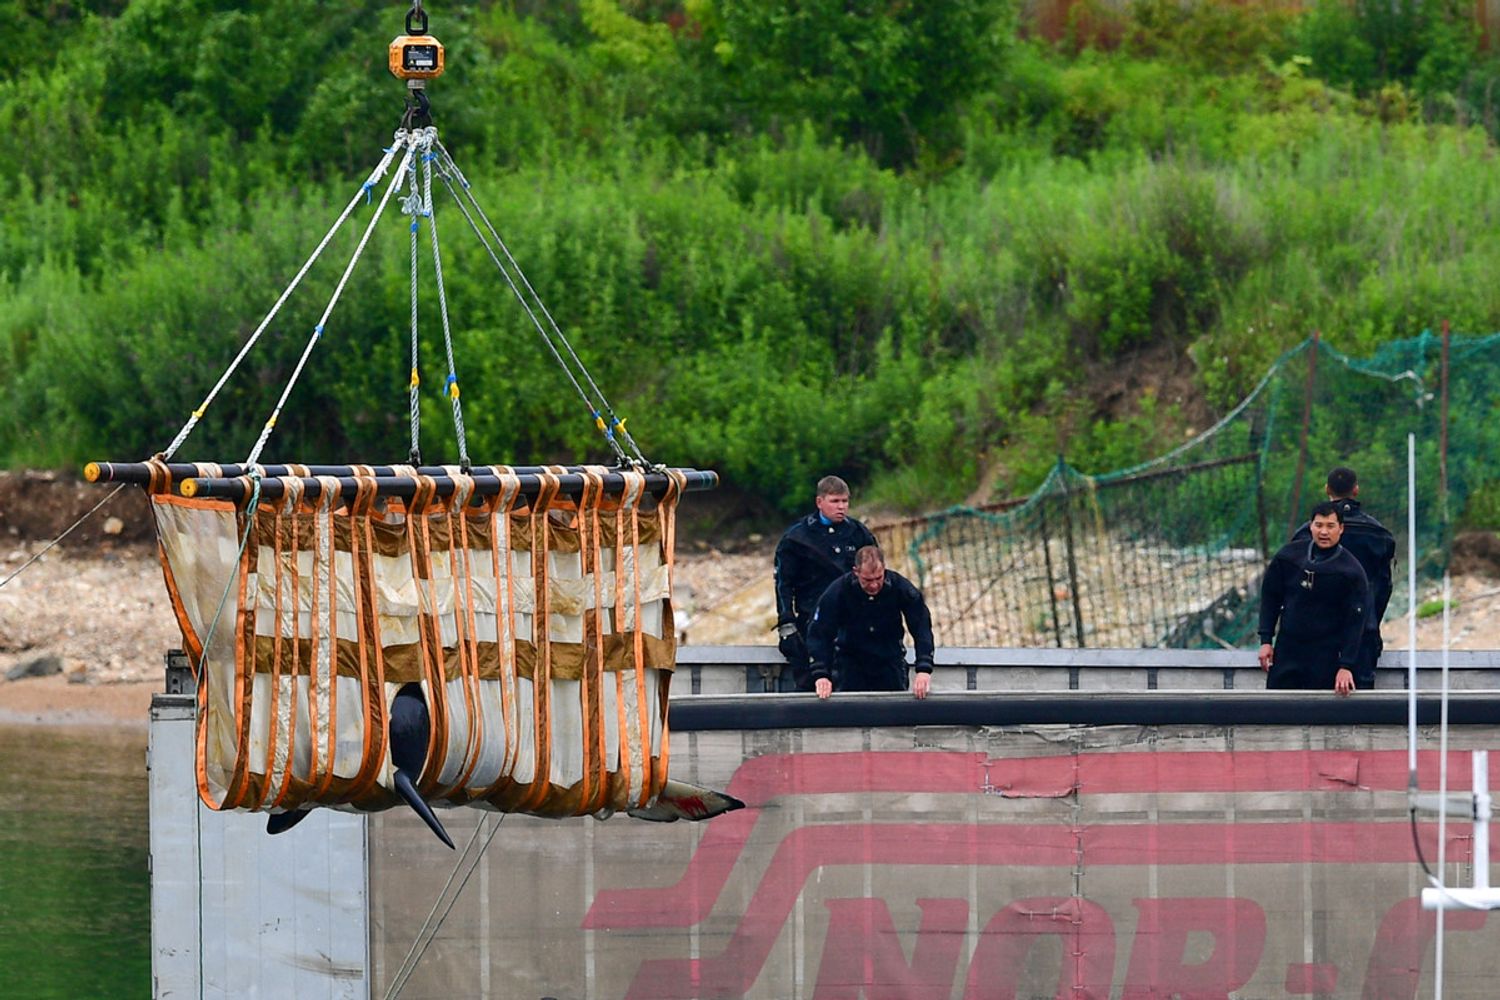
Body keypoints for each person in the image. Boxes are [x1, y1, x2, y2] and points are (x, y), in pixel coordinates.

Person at [1290, 466, 1395, 689]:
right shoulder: (1379, 535)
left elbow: (1292, 587)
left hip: (1314, 637)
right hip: (1362, 636)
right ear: (1355, 490)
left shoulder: (1306, 534)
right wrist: (1369, 620)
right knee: (1359, 708)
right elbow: (1383, 589)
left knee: (1310, 705)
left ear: (1327, 489)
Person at [772, 475, 877, 691]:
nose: (841, 507)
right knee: (812, 683)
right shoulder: (797, 538)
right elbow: (784, 583)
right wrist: (786, 623)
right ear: (820, 502)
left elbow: (876, 575)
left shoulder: (858, 534)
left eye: (844, 502)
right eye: (835, 501)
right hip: (811, 621)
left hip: (853, 621)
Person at [1258, 501, 1369, 696]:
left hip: (1325, 655)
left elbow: (1356, 622)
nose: (1323, 532)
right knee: (1277, 709)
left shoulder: (1351, 572)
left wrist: (1346, 666)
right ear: (1310, 526)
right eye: (1319, 525)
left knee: (1318, 713)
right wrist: (1266, 640)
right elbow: (1270, 597)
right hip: (1287, 650)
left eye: (1330, 526)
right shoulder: (1288, 557)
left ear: (1341, 529)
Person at [806, 545, 935, 699]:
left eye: (878, 578)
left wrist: (923, 669)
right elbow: (819, 632)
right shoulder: (838, 591)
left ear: (884, 570)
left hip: (889, 660)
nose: (874, 585)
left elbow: (921, 626)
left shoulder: (900, 588)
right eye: (867, 580)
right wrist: (821, 674)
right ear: (856, 572)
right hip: (850, 662)